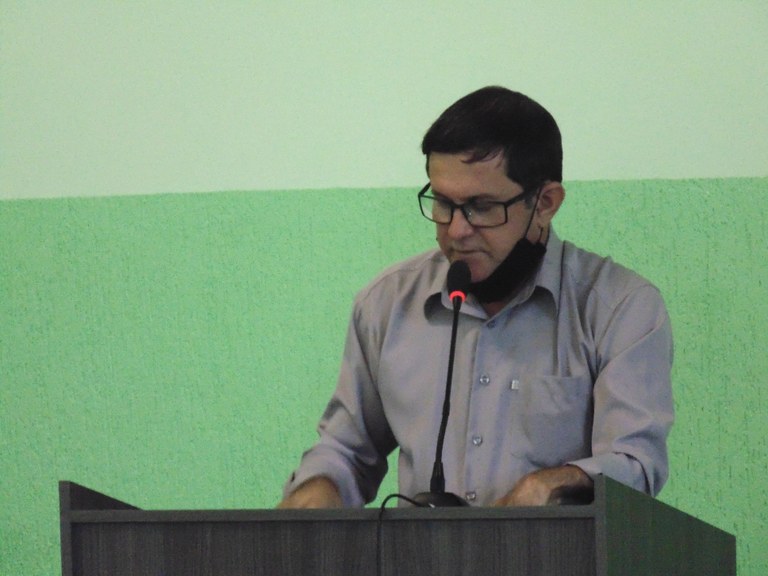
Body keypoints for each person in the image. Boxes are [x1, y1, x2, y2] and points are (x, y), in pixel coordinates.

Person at [278, 86, 674, 508]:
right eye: (443, 203)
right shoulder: (386, 304)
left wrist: (552, 484)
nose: (457, 230)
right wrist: (318, 488)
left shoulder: (620, 309)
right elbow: (346, 451)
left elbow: (634, 465)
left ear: (545, 203)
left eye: (482, 207)